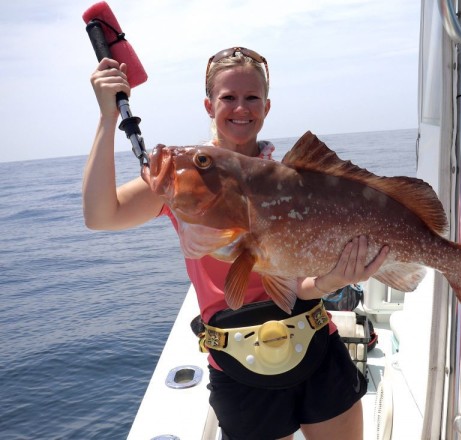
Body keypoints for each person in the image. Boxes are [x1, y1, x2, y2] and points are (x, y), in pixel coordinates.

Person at [84, 47, 389, 440]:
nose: (240, 108)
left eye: (251, 98)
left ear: (266, 106)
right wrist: (108, 119)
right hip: (238, 364)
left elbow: (303, 286)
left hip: (316, 346)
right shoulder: (185, 177)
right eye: (228, 97)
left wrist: (334, 279)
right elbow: (99, 215)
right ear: (209, 105)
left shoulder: (291, 179)